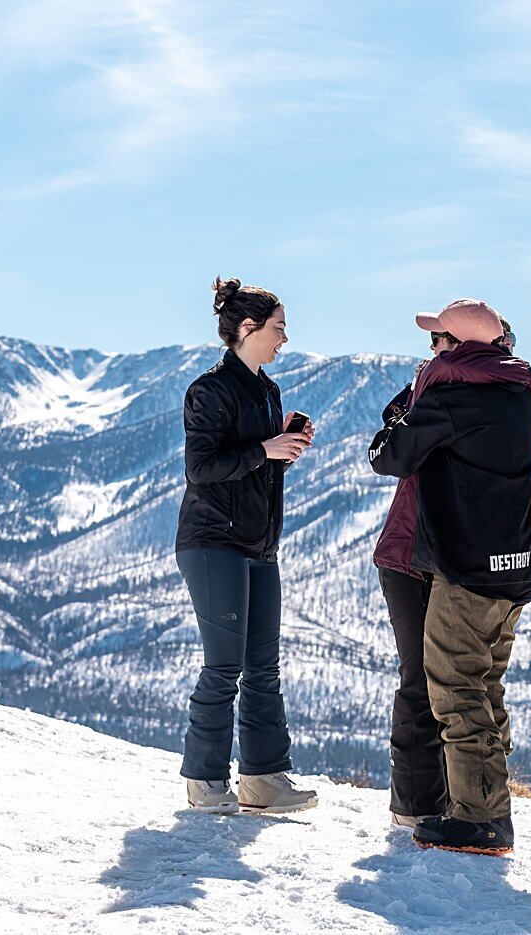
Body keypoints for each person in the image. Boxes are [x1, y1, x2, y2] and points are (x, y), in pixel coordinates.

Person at [369, 299, 531, 855]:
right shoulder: (521, 396)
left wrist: (424, 391)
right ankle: (481, 805)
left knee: (452, 687)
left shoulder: (448, 395)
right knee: (484, 687)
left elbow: (388, 455)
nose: (430, 351)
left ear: (458, 347)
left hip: (460, 565)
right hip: (512, 566)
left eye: (438, 341)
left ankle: (478, 817)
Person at [174, 277, 319, 815]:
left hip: (259, 543)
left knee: (263, 665)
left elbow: (254, 461)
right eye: (279, 328)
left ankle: (263, 780)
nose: (285, 337)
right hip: (212, 542)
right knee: (223, 665)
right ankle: (206, 780)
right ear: (248, 328)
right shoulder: (208, 390)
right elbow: (202, 468)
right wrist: (264, 448)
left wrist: (281, 447)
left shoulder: (266, 390)